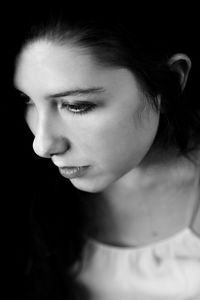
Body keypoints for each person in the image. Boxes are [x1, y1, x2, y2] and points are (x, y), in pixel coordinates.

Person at [13, 11, 200, 300]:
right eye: (28, 100)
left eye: (76, 105)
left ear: (169, 83)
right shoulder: (28, 190)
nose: (42, 145)